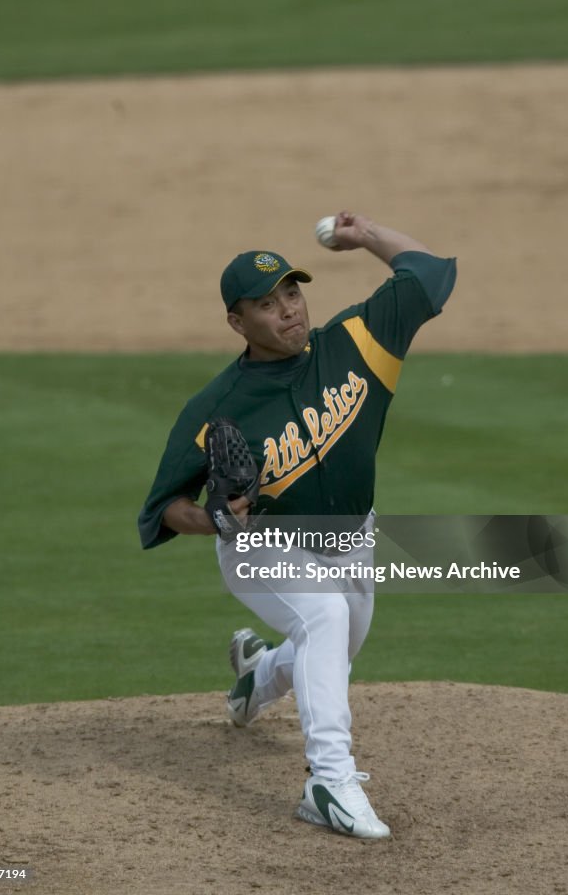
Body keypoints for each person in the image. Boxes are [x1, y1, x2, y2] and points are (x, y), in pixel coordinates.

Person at [138, 211, 456, 839]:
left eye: (291, 292)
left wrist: (365, 236)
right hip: (262, 547)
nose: (287, 310)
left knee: (335, 647)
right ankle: (328, 782)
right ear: (238, 323)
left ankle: (258, 676)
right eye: (266, 303)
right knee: (325, 618)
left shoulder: (357, 343)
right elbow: (160, 508)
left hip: (352, 539)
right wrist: (211, 518)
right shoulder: (215, 408)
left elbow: (426, 273)